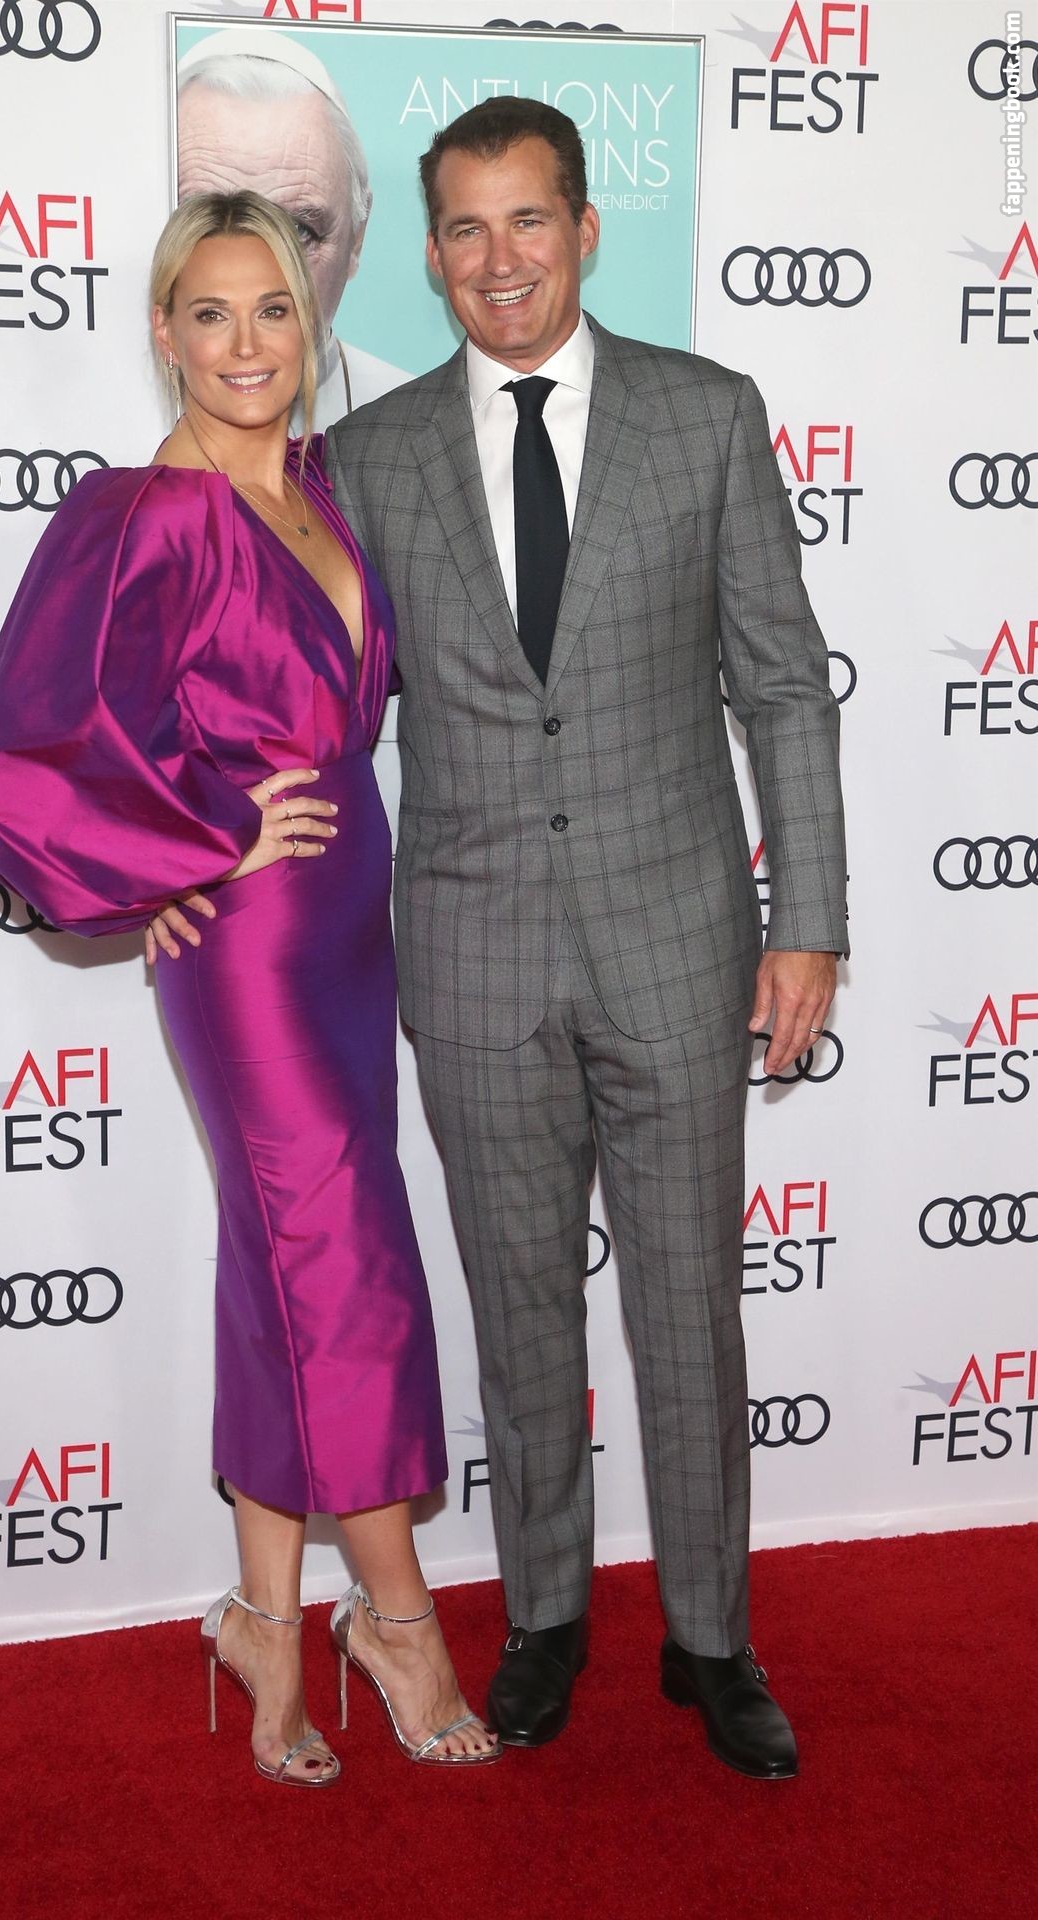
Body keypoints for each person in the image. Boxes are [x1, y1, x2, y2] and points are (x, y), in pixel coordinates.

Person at [321, 98, 849, 1780]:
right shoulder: (368, 458)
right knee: (517, 1307)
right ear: (429, 253)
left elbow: (782, 685)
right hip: (471, 953)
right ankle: (543, 1616)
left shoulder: (705, 416)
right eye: (466, 229)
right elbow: (307, 709)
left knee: (688, 1309)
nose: (501, 261)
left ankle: (712, 1639)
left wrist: (807, 922)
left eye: (528, 220)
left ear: (584, 228)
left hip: (679, 940)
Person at [0, 190, 498, 1784]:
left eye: (273, 309)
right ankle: (397, 1621)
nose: (246, 343)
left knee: (284, 1262)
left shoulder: (326, 485)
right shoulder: (136, 516)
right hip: (249, 944)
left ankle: (265, 1616)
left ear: (308, 324)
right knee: (341, 1254)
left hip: (350, 923)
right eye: (210, 312)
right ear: (163, 330)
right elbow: (12, 764)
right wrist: (191, 845)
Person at [176, 29, 408, 428]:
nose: (254, 277)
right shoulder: (96, 412)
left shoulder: (418, 425)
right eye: (209, 225)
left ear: (357, 237)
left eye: (299, 230)